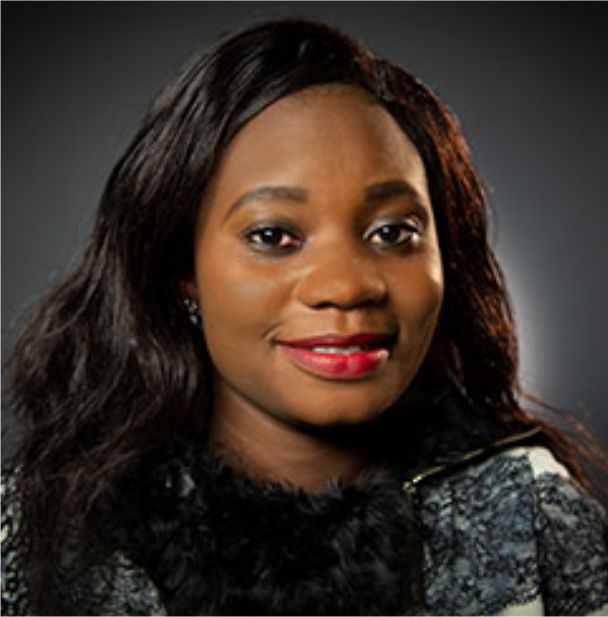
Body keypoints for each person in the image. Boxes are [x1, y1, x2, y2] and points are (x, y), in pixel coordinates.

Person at [2, 18, 607, 616]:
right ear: (182, 270)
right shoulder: (42, 534)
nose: (346, 286)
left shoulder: (532, 513)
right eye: (273, 236)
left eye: (393, 232)